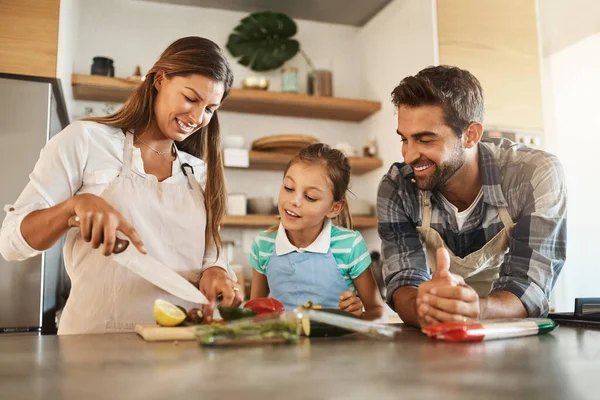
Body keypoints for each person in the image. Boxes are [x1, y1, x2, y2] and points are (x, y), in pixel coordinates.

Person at [0, 36, 242, 334]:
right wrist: (73, 207)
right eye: (191, 98)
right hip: (94, 345)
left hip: (181, 343)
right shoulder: (86, 141)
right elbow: (10, 243)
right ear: (161, 79)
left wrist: (217, 271)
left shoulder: (200, 173)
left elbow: (210, 254)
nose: (197, 117)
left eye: (209, 109)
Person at [377, 65, 567, 327]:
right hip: (436, 334)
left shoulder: (533, 174)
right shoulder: (397, 187)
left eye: (426, 140)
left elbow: (528, 288)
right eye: (405, 139)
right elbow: (403, 282)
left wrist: (474, 308)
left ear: (470, 135)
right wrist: (423, 307)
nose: (408, 156)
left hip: (511, 336)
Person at [249, 143, 384, 320]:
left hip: (337, 347)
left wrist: (357, 315)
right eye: (289, 188)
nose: (294, 201)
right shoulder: (264, 244)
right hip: (282, 345)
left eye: (310, 197)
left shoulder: (349, 245)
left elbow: (378, 312)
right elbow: (254, 312)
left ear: (334, 208)